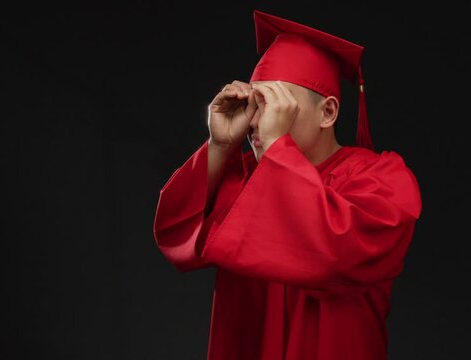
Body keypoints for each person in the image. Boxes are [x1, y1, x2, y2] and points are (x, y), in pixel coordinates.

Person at [153, 9, 422, 360]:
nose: (258, 122)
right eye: (254, 105)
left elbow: (336, 255)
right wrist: (220, 147)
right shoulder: (246, 177)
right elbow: (177, 230)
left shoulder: (382, 177)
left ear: (327, 112)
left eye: (276, 105)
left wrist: (278, 148)